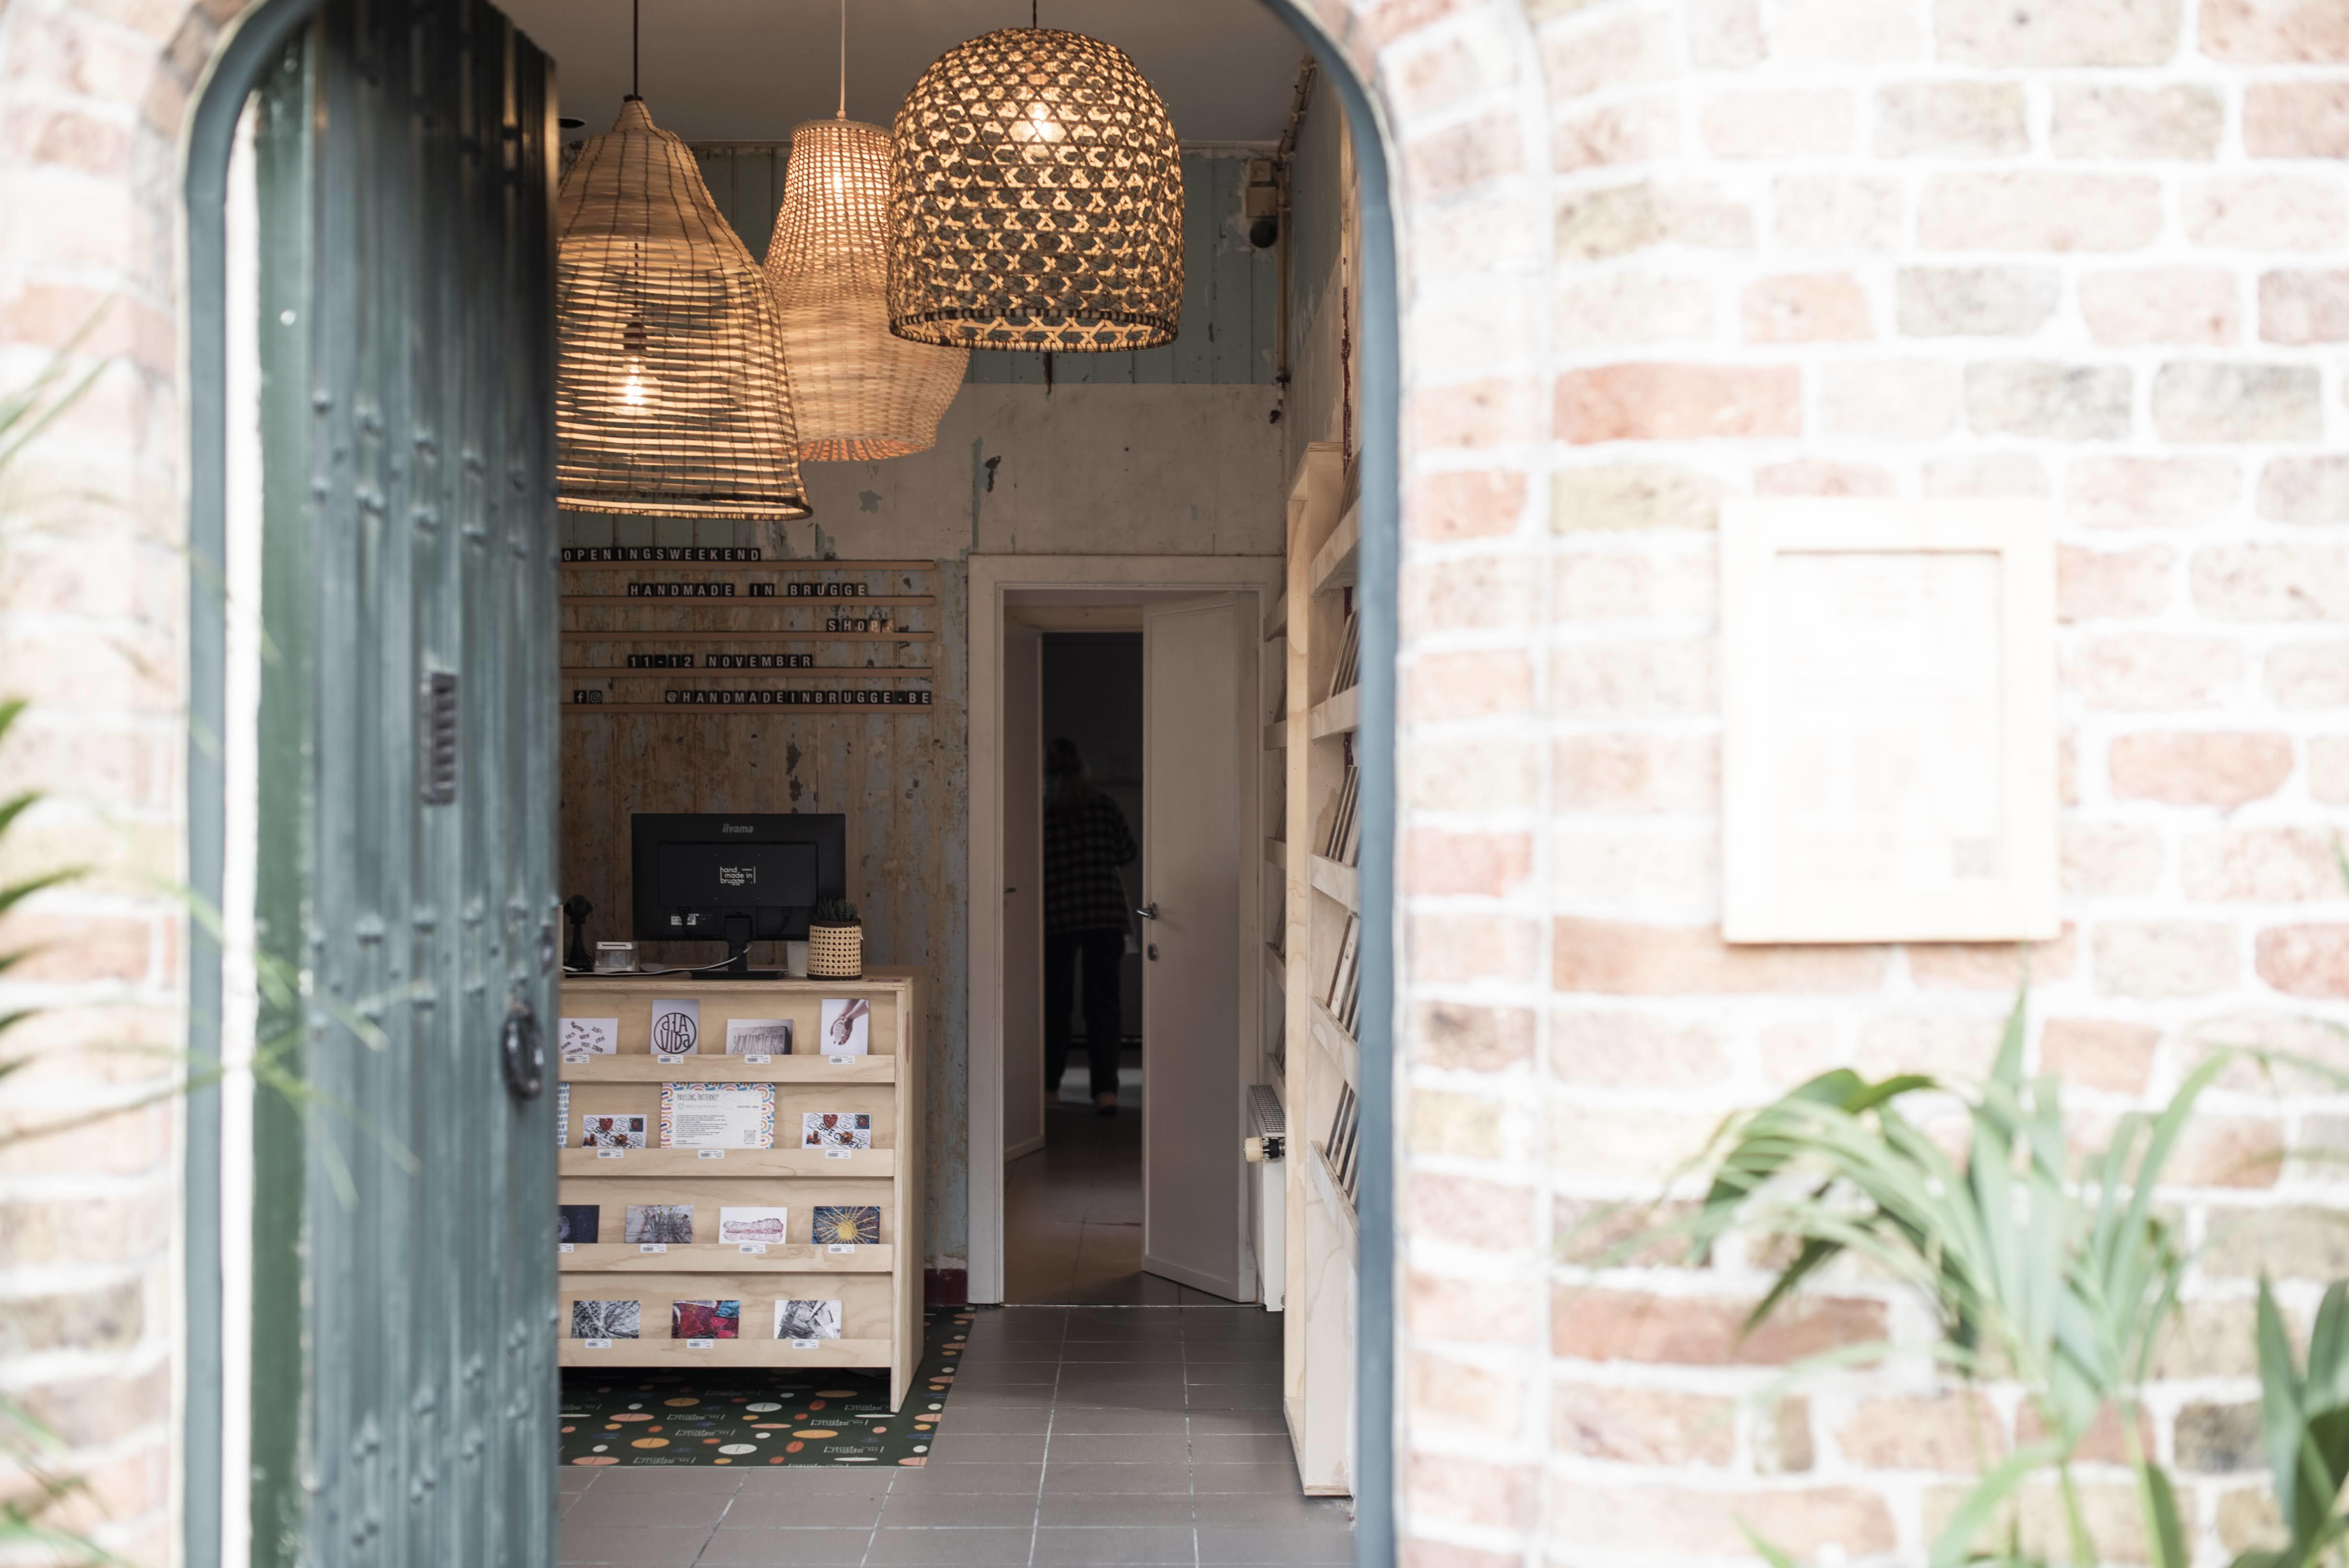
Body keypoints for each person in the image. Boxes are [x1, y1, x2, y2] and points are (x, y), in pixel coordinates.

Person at [1041, 736, 1137, 1115]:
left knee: (1055, 1004)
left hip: (1056, 915)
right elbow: (1127, 853)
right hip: (1104, 914)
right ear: (1083, 766)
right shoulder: (1104, 805)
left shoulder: (1042, 810)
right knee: (1103, 1006)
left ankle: (1050, 1086)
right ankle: (1106, 1092)